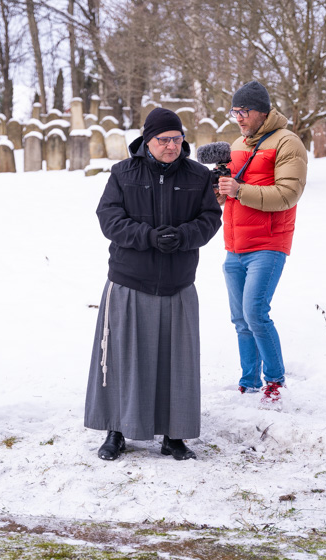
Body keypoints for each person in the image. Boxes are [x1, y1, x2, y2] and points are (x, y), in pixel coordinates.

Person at [84, 108, 222, 461]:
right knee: (122, 359)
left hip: (177, 283)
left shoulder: (197, 176)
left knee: (177, 362)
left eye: (177, 139)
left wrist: (184, 235)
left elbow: (210, 218)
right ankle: (117, 430)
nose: (172, 146)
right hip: (130, 280)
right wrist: (148, 236)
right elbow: (109, 219)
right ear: (147, 140)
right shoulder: (123, 173)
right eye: (164, 140)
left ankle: (174, 436)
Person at [217, 81, 308, 401]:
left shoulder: (288, 142)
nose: (238, 117)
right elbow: (226, 193)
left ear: (262, 111)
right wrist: (218, 188)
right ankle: (249, 381)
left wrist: (238, 191)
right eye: (235, 111)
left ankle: (274, 380)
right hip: (234, 245)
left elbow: (288, 194)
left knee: (255, 313)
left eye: (244, 111)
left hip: (268, 244)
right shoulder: (237, 143)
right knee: (241, 319)